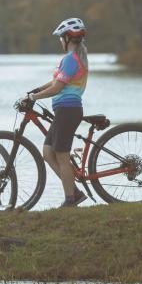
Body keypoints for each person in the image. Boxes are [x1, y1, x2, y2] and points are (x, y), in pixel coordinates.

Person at [24, 17, 89, 207]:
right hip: (64, 111)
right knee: (47, 152)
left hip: (68, 111)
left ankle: (71, 199)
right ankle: (74, 192)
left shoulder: (71, 60)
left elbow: (57, 89)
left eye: (61, 37)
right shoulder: (71, 59)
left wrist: (33, 99)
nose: (60, 41)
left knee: (61, 154)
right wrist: (35, 90)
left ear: (68, 38)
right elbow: (55, 83)